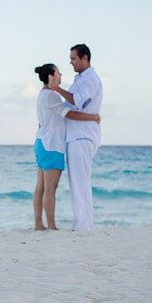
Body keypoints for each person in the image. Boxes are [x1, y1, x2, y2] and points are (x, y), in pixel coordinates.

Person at [33, 63, 100, 231]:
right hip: (52, 145)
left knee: (41, 186)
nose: (61, 75)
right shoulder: (51, 96)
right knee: (50, 188)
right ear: (51, 77)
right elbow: (69, 114)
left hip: (41, 142)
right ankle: (51, 226)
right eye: (58, 73)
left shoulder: (42, 94)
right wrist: (92, 118)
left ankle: (39, 224)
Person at [49, 44, 103, 231]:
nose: (70, 62)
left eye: (73, 58)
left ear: (84, 58)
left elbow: (78, 101)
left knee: (80, 182)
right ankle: (83, 223)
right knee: (79, 182)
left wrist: (57, 89)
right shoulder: (82, 79)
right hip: (77, 136)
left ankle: (83, 225)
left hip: (82, 136)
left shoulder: (90, 80)